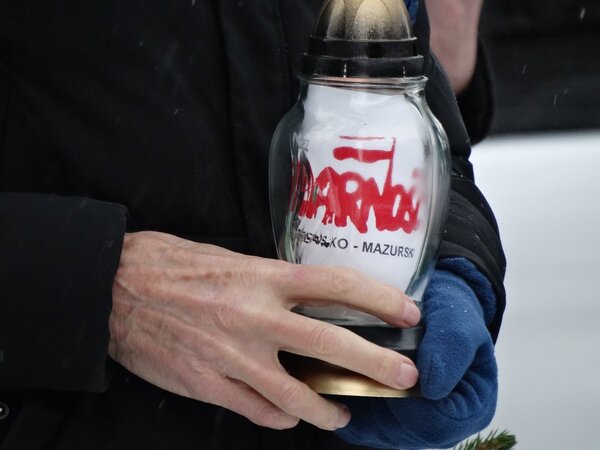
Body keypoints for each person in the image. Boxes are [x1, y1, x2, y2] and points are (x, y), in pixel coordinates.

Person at [0, 1, 506, 448]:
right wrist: (105, 290)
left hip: (326, 427)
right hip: (80, 416)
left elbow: (424, 135)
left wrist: (451, 270)